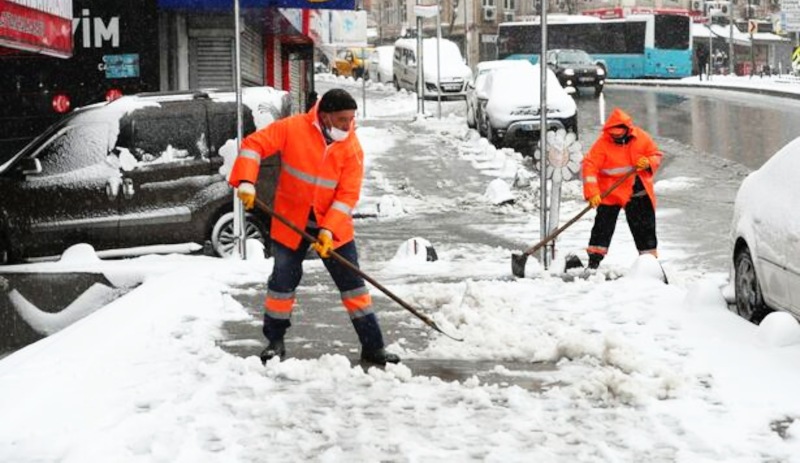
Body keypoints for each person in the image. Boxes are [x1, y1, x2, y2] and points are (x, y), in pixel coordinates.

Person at [228, 89, 400, 366]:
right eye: (343, 119)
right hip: (291, 221)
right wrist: (247, 181)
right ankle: (275, 341)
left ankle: (373, 346)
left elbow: (347, 196)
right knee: (282, 284)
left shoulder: (351, 147)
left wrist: (328, 230)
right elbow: (253, 145)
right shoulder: (293, 128)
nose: (349, 125)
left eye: (352, 119)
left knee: (353, 286)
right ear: (325, 115)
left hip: (332, 227)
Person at [581, 107, 662, 270]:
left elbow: (656, 155)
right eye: (613, 136)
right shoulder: (603, 144)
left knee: (644, 228)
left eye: (619, 135)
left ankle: (649, 263)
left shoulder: (642, 138)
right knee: (602, 227)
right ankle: (594, 261)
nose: (616, 139)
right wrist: (593, 193)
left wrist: (648, 162)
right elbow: (589, 166)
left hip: (637, 191)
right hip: (611, 191)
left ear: (627, 130)